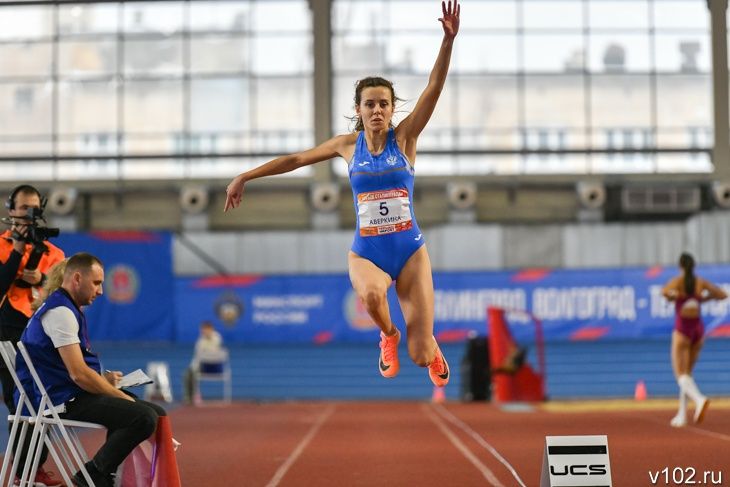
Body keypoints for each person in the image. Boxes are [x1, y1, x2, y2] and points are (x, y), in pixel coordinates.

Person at [225, 0, 460, 387]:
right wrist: (246, 176)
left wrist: (447, 41)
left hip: (410, 251)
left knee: (420, 356)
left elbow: (433, 88)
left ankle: (428, 347)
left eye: (384, 104)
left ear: (392, 109)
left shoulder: (406, 138)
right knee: (372, 297)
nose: (377, 110)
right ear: (359, 109)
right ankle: (388, 335)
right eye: (370, 104)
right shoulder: (347, 146)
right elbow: (296, 159)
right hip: (368, 251)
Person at [16, 252, 170, 487]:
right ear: (77, 278)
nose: (100, 291)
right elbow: (78, 374)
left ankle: (104, 475)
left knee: (155, 412)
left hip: (66, 393)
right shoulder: (60, 313)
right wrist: (119, 396)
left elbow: (71, 370)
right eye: (97, 283)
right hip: (60, 401)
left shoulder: (65, 308)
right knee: (143, 416)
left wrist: (104, 382)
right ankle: (92, 477)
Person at [1, 184, 65, 487]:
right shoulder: (1, 245)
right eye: (23, 208)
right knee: (18, 402)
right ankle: (24, 471)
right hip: (6, 329)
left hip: (41, 331)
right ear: (10, 210)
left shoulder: (54, 253)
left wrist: (41, 279)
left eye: (34, 209)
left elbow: (61, 295)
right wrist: (16, 250)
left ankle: (33, 467)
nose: (28, 215)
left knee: (46, 399)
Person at [662, 252, 727, 427]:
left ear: (680, 266)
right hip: (698, 330)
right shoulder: (700, 282)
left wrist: (674, 296)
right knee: (687, 375)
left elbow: (664, 292)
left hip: (683, 330)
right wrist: (703, 298)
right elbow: (722, 294)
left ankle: (699, 399)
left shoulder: (678, 282)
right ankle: (682, 415)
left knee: (680, 374)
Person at [183, 320, 226, 405]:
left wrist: (205, 353)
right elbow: (197, 357)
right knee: (188, 373)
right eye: (203, 329)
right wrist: (192, 367)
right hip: (202, 367)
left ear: (211, 329)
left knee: (193, 371)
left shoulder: (217, 338)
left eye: (206, 329)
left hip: (215, 367)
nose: (204, 331)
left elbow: (212, 352)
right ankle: (189, 398)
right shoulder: (200, 341)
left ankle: (195, 395)